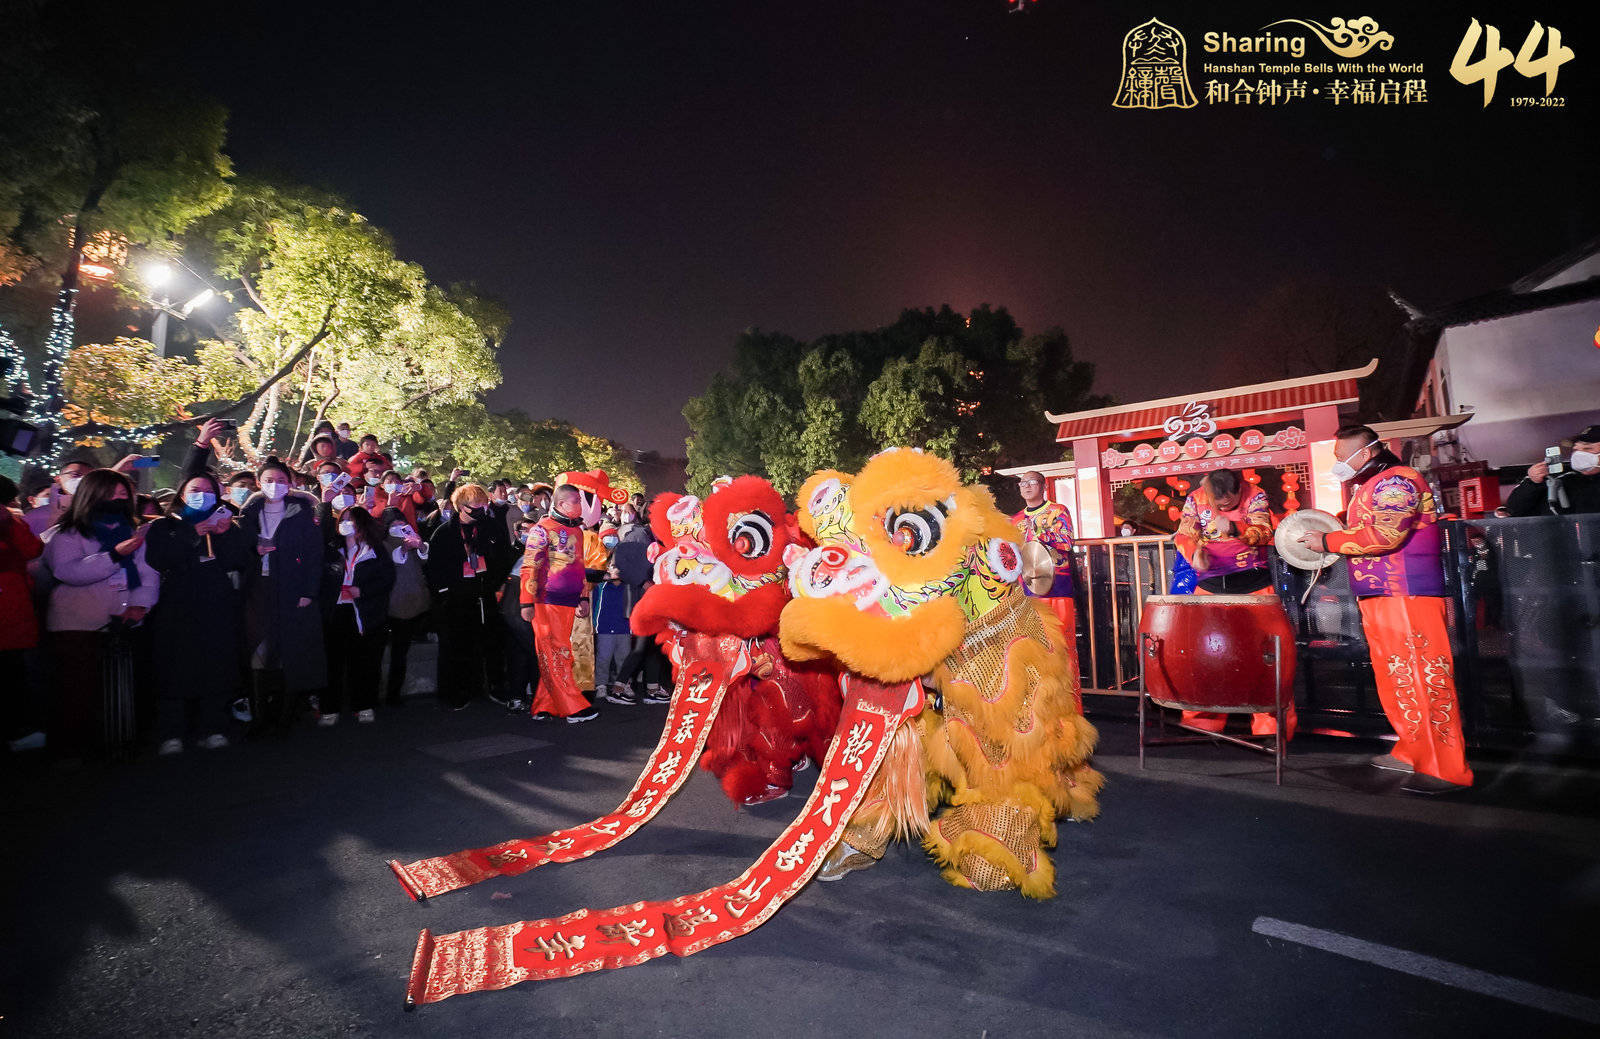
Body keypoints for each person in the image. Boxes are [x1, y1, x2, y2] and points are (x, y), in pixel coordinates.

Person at [1296, 425, 1473, 793]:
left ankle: (1446, 768)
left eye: (1342, 456)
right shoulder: (1373, 485)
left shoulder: (1399, 481)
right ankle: (1412, 749)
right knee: (1396, 678)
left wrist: (1326, 539)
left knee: (1425, 679)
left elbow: (1386, 535)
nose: (1338, 463)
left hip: (1407, 593)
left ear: (1366, 453)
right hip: (1381, 594)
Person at [42, 468, 159, 758]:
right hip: (78, 624)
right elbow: (68, 571)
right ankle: (72, 749)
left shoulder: (133, 531)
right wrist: (114, 555)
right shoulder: (66, 534)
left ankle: (116, 741)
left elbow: (147, 574)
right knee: (77, 690)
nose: (118, 501)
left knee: (116, 688)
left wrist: (140, 604)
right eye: (111, 495)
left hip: (122, 622)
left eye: (123, 495)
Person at [1172, 468, 1294, 739]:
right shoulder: (1196, 497)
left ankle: (1269, 729)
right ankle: (1202, 724)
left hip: (1253, 584)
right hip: (1210, 585)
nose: (1225, 506)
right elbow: (1184, 533)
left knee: (1265, 657)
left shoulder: (1256, 495)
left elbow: (1263, 530)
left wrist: (1237, 528)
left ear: (1239, 489)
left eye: (1230, 501)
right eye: (1220, 503)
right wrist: (1194, 554)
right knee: (1204, 655)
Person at [144, 473, 252, 753]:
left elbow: (240, 561)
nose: (201, 494)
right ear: (182, 494)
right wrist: (195, 533)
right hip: (175, 606)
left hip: (217, 605)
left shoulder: (228, 526)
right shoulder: (164, 526)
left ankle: (214, 726)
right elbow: (159, 559)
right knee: (175, 666)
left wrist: (224, 534)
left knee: (216, 664)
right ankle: (172, 731)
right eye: (195, 489)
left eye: (208, 491)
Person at [239, 458, 326, 736]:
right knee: (258, 652)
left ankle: (285, 716)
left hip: (291, 589)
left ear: (290, 484)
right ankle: (260, 716)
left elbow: (314, 556)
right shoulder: (248, 514)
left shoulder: (301, 513)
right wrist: (255, 552)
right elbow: (236, 553)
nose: (274, 486)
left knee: (291, 652)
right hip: (257, 590)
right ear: (258, 482)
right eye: (269, 480)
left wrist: (307, 592)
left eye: (280, 480)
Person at [424, 484, 512, 710]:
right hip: (457, 599)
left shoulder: (492, 529)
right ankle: (458, 691)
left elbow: (504, 559)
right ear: (461, 507)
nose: (481, 510)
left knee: (493, 645)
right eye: (475, 507)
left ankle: (495, 686)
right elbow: (434, 569)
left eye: (483, 506)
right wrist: (447, 591)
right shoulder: (443, 533)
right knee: (458, 648)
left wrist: (492, 580)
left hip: (486, 594)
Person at [520, 484, 600, 722]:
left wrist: (583, 596)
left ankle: (544, 705)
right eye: (576, 501)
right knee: (557, 652)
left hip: (568, 601)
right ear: (562, 504)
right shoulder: (541, 529)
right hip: (546, 600)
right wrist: (526, 603)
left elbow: (578, 567)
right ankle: (573, 707)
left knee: (554, 653)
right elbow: (529, 567)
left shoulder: (577, 531)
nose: (580, 505)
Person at [319, 505, 395, 725]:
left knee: (365, 662)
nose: (345, 523)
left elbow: (386, 580)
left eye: (350, 519)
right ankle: (329, 708)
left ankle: (364, 705)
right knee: (332, 663)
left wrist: (362, 591)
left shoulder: (376, 550)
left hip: (364, 613)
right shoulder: (332, 549)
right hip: (336, 612)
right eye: (342, 519)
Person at [1010, 471, 1081, 705]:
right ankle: (1040, 704)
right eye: (1023, 483)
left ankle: (1069, 705)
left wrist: (1037, 532)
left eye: (1031, 482)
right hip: (1027, 590)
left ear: (1043, 486)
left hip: (1057, 588)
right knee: (1034, 647)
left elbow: (1067, 541)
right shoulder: (1015, 519)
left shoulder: (1057, 511)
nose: (1026, 487)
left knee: (1062, 646)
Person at [1, 475, 48, 752]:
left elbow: (32, 549)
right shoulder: (12, 521)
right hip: (13, 606)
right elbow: (33, 549)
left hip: (12, 607)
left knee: (12, 673)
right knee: (12, 674)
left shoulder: (12, 521)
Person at [613, 504, 669, 703]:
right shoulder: (638, 535)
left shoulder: (655, 538)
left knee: (652, 646)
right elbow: (620, 563)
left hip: (652, 601)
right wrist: (643, 582)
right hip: (640, 601)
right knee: (642, 645)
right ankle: (619, 687)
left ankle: (651, 688)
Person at [380, 510, 432, 707]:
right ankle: (392, 694)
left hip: (417, 602)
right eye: (394, 525)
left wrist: (420, 546)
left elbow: (425, 558)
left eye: (402, 524)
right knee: (398, 652)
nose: (399, 529)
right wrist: (404, 548)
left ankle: (396, 692)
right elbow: (394, 557)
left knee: (404, 649)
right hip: (395, 605)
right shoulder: (383, 544)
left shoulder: (411, 539)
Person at [1504, 424, 1600, 516]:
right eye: (1575, 449)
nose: (1579, 454)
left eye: (1588, 448)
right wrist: (1533, 482)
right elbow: (1514, 510)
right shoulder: (1558, 479)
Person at [590, 523, 634, 704]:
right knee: (603, 657)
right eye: (613, 567)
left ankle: (624, 684)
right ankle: (600, 684)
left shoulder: (629, 586)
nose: (617, 570)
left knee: (624, 657)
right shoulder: (601, 585)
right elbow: (593, 603)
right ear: (607, 568)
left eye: (619, 567)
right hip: (605, 627)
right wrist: (593, 623)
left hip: (624, 627)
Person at [24, 455, 96, 536]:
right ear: (58, 479)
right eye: (75, 475)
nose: (82, 481)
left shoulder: (94, 518)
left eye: (87, 478)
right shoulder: (35, 516)